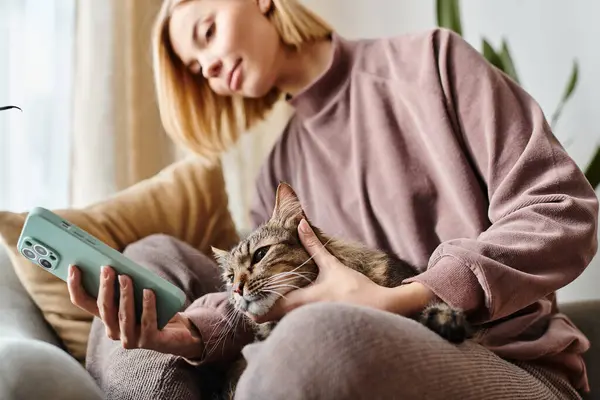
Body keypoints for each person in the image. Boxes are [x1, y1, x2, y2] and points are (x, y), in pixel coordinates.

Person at [67, 0, 599, 399]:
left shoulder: (432, 63)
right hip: (337, 351)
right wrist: (184, 335)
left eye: (207, 32)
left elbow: (560, 208)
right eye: (195, 66)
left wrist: (404, 296)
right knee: (150, 257)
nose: (207, 65)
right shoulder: (275, 173)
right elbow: (262, 308)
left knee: (318, 336)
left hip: (499, 359)